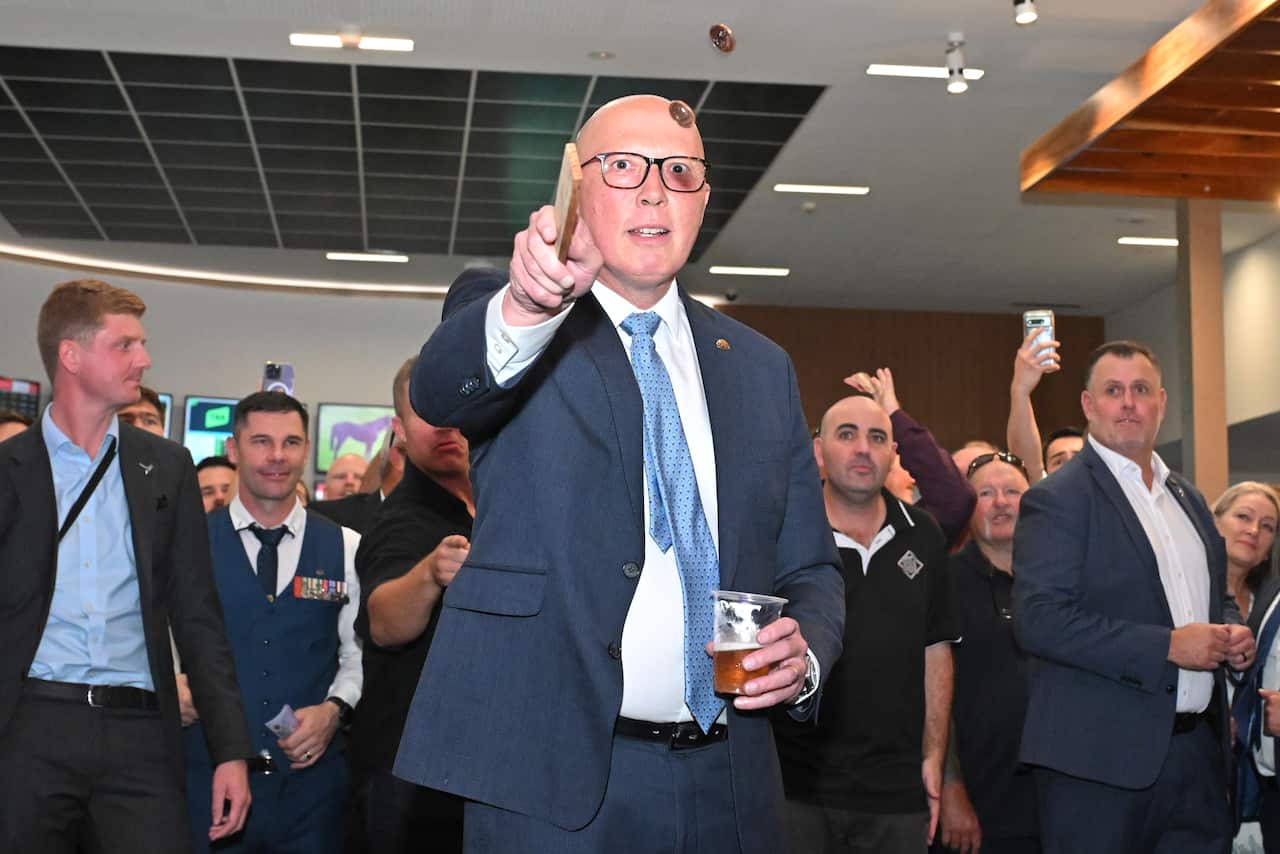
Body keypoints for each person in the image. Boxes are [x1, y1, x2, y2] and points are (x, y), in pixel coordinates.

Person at [396, 95, 846, 853]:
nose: (652, 190)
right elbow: (441, 389)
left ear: (703, 201)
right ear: (577, 187)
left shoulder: (762, 368)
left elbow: (811, 566)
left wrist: (805, 656)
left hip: (731, 785)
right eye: (624, 167)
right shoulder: (515, 313)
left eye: (679, 172)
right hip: (550, 780)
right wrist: (529, 303)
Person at [0, 279, 251, 852]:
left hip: (140, 732)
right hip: (29, 727)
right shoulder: (9, 469)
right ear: (71, 355)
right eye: (125, 345)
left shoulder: (166, 466)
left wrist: (230, 750)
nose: (145, 358)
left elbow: (198, 616)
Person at [1013, 339, 1253, 854]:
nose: (1128, 403)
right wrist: (1166, 645)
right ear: (1088, 405)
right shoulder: (1057, 499)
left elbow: (1212, 597)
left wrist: (1231, 628)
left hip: (1197, 760)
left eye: (1141, 390)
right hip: (1096, 765)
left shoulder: (1186, 498)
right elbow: (1038, 620)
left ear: (1161, 403)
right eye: (1114, 390)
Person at [182, 391, 362, 854]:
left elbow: (356, 652)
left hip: (310, 793)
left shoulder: (345, 546)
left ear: (306, 449)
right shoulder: (187, 544)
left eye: (291, 442)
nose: (277, 456)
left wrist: (334, 709)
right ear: (233, 449)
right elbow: (153, 638)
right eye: (262, 441)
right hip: (207, 779)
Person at [777, 394, 955, 854]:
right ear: (818, 452)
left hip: (897, 794)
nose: (863, 449)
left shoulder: (925, 535)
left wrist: (935, 756)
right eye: (847, 435)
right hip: (795, 786)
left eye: (877, 438)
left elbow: (936, 651)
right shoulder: (782, 531)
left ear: (893, 453)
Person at [351, 356, 475, 854]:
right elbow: (383, 621)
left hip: (484, 758)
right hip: (410, 772)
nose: (445, 422)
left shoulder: (502, 501)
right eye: (427, 409)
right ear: (399, 430)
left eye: (457, 406)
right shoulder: (399, 519)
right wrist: (428, 574)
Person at [936, 452, 1039, 854]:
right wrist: (950, 786)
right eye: (986, 493)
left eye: (1012, 491)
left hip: (1053, 797)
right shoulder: (943, 582)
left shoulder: (1057, 582)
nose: (1001, 502)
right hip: (976, 798)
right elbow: (930, 693)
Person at [846, 368, 976, 547]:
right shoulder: (819, 527)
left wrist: (894, 416)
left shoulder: (915, 531)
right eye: (846, 436)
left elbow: (953, 499)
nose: (863, 451)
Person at [1219, 484, 1280, 849]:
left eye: (1268, 526)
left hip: (1258, 782)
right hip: (1188, 769)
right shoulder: (1176, 592)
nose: (1254, 530)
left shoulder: (1270, 602)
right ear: (1214, 520)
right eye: (1243, 516)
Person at [1006, 330, 1084, 482]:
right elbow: (1027, 465)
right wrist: (1020, 390)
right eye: (1058, 461)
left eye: (1078, 457)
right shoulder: (1045, 498)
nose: (1068, 466)